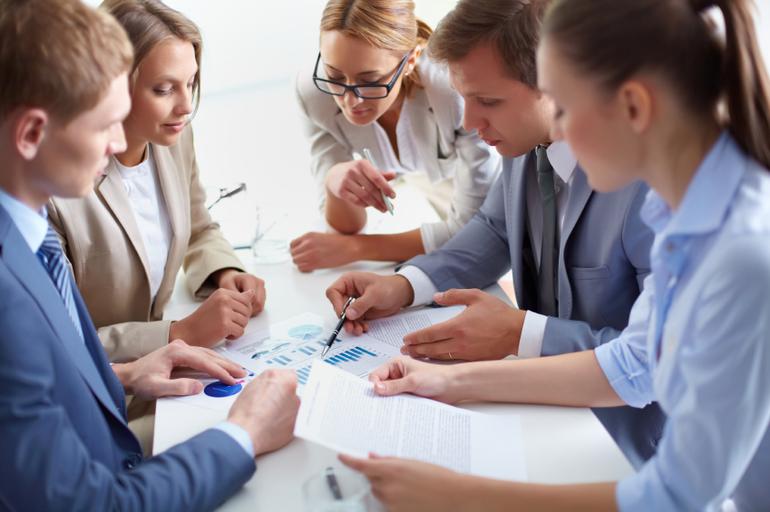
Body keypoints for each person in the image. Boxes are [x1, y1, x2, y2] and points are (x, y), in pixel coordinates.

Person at [339, 0, 770, 510]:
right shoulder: (678, 211)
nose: (556, 137)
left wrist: (454, 494)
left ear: (633, 106)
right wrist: (446, 381)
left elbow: (677, 495)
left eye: (562, 108)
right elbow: (631, 366)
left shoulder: (742, 254)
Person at [326, 0, 663, 467]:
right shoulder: (524, 140)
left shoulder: (650, 184)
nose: (468, 122)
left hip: (624, 445)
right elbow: (495, 228)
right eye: (465, 98)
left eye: (487, 101)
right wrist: (404, 285)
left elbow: (655, 363)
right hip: (537, 410)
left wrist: (520, 333)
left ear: (558, 85)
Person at [0, 1, 298, 509]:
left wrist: (125, 376)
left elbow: (46, 384)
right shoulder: (10, 294)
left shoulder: (25, 238)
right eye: (105, 124)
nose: (119, 143)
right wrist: (243, 435)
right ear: (31, 133)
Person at [48, 0, 266, 365]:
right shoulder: (53, 189)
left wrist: (224, 271)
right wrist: (178, 333)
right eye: (164, 89)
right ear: (110, 87)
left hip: (165, 370)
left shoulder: (174, 138)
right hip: (108, 383)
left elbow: (198, 227)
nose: (185, 106)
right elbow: (57, 341)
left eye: (191, 83)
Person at [289, 0, 501, 272]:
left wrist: (359, 249)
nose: (350, 99)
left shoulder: (454, 90)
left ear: (410, 60)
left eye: (369, 81)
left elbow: (473, 231)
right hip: (422, 189)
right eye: (335, 75)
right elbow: (346, 227)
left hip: (466, 187)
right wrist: (334, 179)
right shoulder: (315, 95)